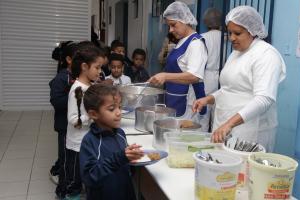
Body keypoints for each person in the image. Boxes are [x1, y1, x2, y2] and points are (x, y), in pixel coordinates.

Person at [192, 6, 286, 152]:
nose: (232, 38)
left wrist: (230, 123)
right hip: (225, 124)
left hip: (251, 129)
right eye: (230, 33)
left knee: (243, 171)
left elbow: (264, 99)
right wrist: (208, 99)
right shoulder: (236, 53)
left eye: (237, 33)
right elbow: (229, 89)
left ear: (253, 32)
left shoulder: (266, 55)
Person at [148, 1, 208, 131]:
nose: (170, 30)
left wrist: (165, 76)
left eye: (173, 25)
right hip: (175, 100)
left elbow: (194, 76)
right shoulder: (182, 41)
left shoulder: (196, 44)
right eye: (169, 26)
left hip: (189, 104)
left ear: (185, 20)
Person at [80, 84, 144, 200]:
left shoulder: (120, 134)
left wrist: (132, 159)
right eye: (111, 109)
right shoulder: (90, 141)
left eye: (120, 107)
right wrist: (119, 158)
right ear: (94, 114)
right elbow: (89, 177)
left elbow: (125, 167)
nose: (119, 112)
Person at [64, 42, 104, 200]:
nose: (100, 71)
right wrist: (93, 116)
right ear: (84, 67)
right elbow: (73, 119)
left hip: (87, 142)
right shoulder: (78, 89)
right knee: (76, 182)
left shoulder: (90, 86)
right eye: (97, 67)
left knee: (88, 178)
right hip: (77, 145)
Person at [49, 41, 77, 198]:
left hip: (76, 127)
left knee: (74, 161)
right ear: (69, 59)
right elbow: (56, 102)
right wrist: (75, 95)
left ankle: (74, 188)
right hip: (65, 127)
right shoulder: (61, 78)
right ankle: (62, 190)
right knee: (66, 161)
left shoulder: (80, 77)